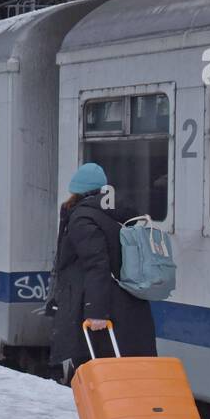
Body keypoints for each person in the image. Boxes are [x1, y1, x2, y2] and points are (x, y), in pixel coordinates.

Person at [48, 161, 157, 383]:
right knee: (129, 377)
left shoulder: (82, 219)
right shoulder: (118, 213)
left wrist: (96, 312)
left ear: (76, 189)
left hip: (104, 309)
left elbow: (97, 266)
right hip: (130, 304)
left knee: (100, 378)